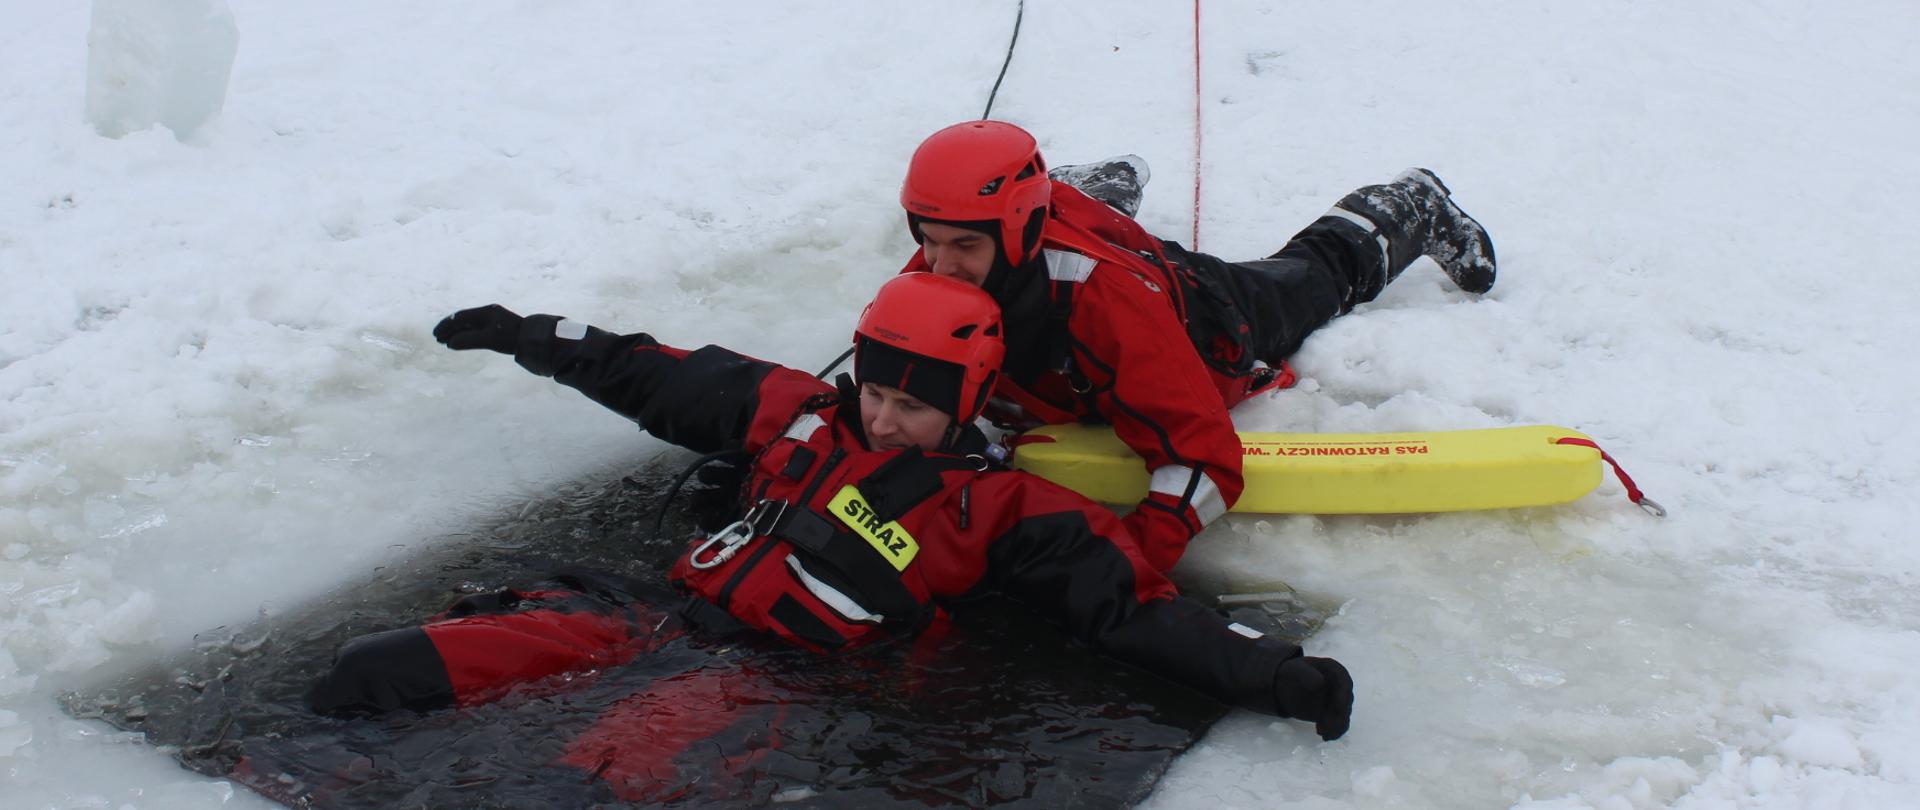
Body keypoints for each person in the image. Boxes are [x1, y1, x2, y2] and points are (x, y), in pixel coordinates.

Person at [307, 273, 1354, 748]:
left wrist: (1272, 671)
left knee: (592, 777)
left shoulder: (1006, 509)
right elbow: (651, 372)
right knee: (378, 670)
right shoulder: (798, 412)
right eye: (876, 391)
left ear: (966, 405)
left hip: (769, 680)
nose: (885, 419)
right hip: (648, 618)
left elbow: (1132, 612)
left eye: (912, 405)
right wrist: (526, 333)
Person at [897, 119, 1498, 572]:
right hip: (1082, 260)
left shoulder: (1108, 305)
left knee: (1311, 277)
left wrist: (1126, 564)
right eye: (931, 241)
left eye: (965, 247)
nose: (940, 267)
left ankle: (1410, 204)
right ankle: (1098, 192)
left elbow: (1206, 456)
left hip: (1205, 315)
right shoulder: (932, 273)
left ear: (1019, 227)